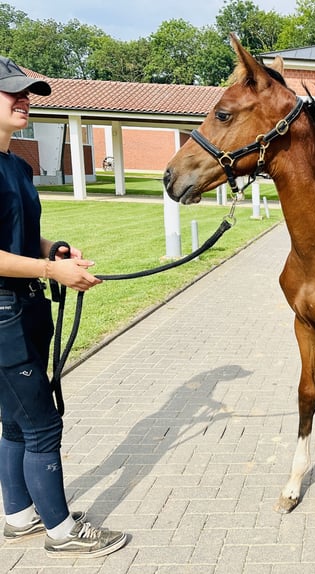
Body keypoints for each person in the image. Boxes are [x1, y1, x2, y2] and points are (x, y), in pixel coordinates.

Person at [0, 56, 127, 557]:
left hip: (25, 306)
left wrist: (53, 250)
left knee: (15, 422)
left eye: (28, 91)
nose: (24, 99)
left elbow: (20, 236)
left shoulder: (15, 164)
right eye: (13, 92)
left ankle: (19, 516)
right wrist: (54, 272)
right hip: (4, 313)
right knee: (42, 426)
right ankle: (61, 531)